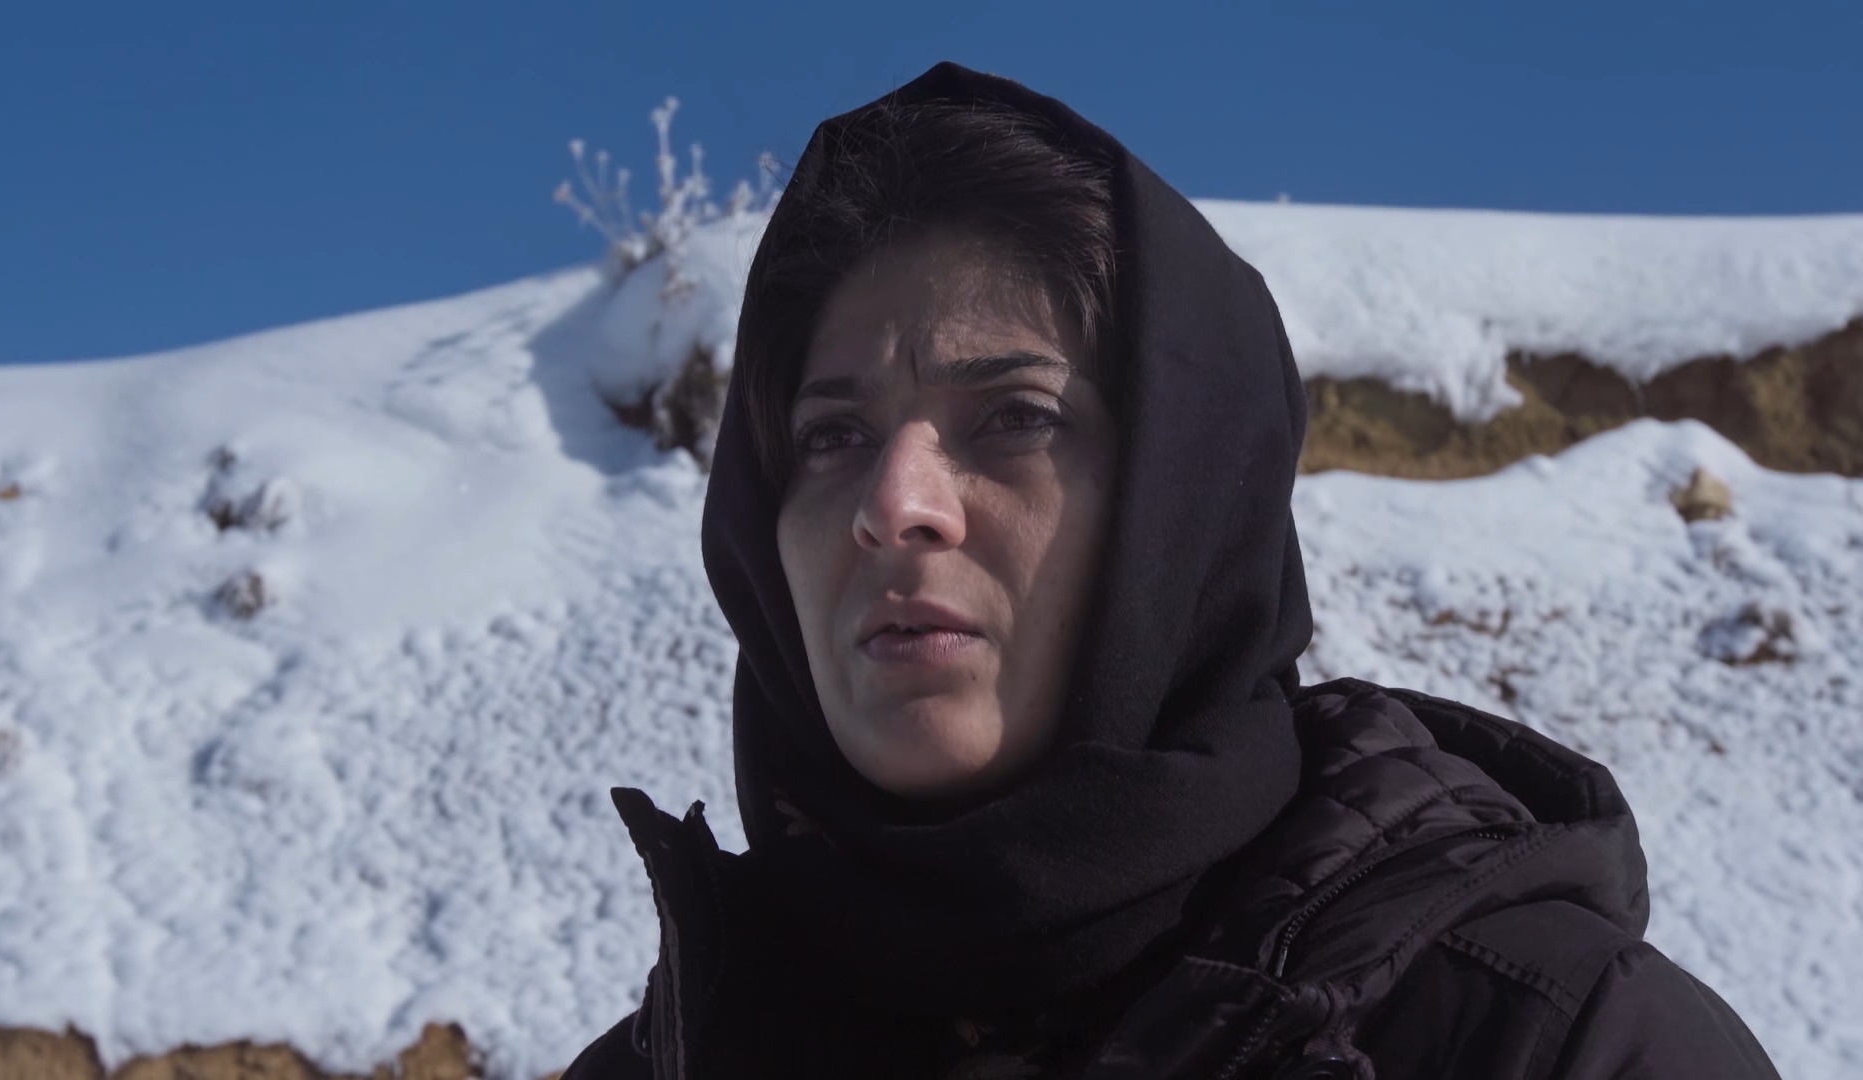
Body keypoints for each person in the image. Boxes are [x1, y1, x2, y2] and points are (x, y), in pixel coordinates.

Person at [562, 61, 1780, 1079]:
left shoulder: (1559, 1045)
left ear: (1182, 502)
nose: (896, 506)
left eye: (1016, 418)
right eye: (831, 437)